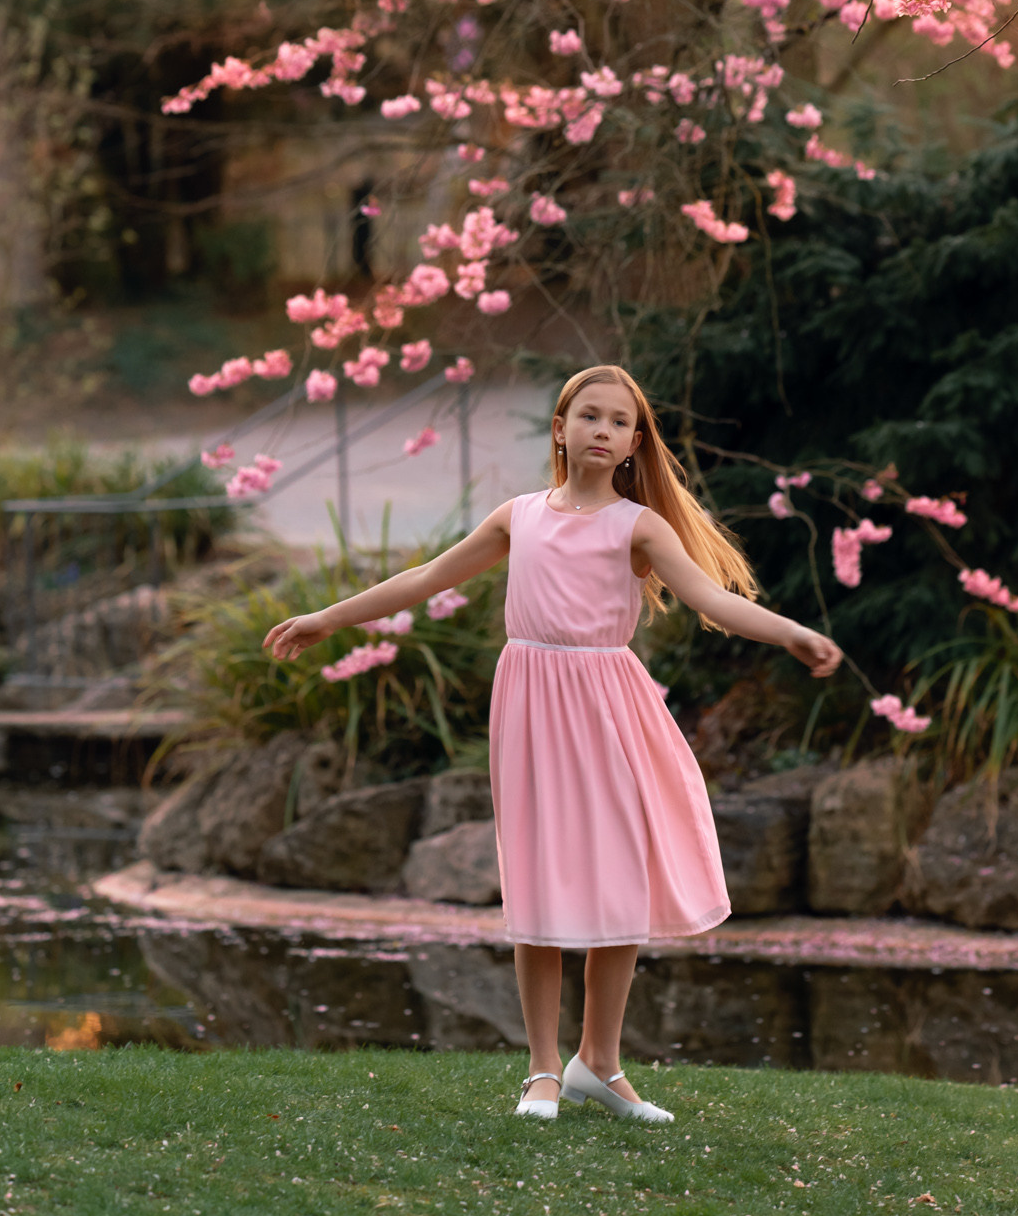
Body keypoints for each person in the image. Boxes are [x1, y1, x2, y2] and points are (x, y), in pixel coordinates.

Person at [263, 363, 842, 1123]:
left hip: (610, 708)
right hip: (532, 704)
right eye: (589, 416)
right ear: (560, 430)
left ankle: (597, 1064)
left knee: (617, 877)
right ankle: (541, 1068)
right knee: (540, 875)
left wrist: (791, 632)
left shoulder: (638, 527)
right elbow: (426, 577)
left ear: (635, 443)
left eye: (619, 422)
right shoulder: (518, 516)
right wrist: (327, 619)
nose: (602, 431)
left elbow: (710, 600)